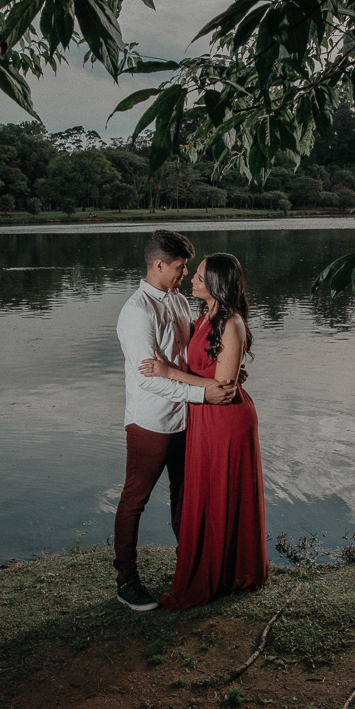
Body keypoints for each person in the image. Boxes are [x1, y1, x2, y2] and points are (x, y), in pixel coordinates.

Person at [114, 230, 238, 612]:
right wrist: (204, 393)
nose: (185, 274)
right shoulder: (136, 312)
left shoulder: (180, 303)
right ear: (159, 265)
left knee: (185, 498)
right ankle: (127, 581)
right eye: (181, 267)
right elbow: (148, 378)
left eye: (187, 268)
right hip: (151, 422)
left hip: (188, 421)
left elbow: (185, 363)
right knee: (135, 499)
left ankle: (192, 568)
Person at [139, 253, 268, 610]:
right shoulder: (204, 317)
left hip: (226, 420)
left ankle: (228, 572)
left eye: (198, 276)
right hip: (203, 416)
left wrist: (169, 373)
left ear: (215, 284)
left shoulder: (231, 324)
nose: (191, 280)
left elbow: (223, 385)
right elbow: (211, 372)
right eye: (192, 274)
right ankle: (214, 564)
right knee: (207, 492)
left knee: (221, 491)